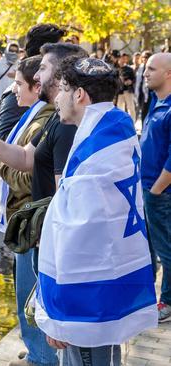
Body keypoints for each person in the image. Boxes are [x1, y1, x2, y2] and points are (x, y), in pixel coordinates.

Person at [0, 42, 87, 365]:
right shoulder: (59, 118)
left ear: (62, 74)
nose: (36, 76)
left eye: (42, 68)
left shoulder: (68, 126)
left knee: (67, 347)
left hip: (55, 246)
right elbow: (27, 158)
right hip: (45, 240)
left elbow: (65, 202)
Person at [35, 56, 157, 366]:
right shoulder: (115, 127)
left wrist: (62, 315)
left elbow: (79, 236)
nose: (57, 97)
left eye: (62, 89)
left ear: (79, 95)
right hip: (110, 276)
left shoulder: (95, 148)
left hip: (87, 295)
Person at [0, 56, 58, 366]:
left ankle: (40, 358)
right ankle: (36, 351)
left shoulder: (45, 120)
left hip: (33, 219)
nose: (13, 90)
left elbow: (27, 174)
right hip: (27, 218)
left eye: (18, 84)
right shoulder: (34, 114)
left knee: (30, 295)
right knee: (25, 292)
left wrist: (0, 161)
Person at [0, 24, 66, 141]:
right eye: (60, 48)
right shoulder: (19, 90)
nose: (65, 53)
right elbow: (3, 137)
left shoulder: (52, 82)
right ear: (43, 51)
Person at [140, 52, 171, 322]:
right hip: (147, 188)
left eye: (151, 68)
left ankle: (168, 302)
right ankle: (144, 297)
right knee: (146, 247)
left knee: (166, 248)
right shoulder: (155, 101)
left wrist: (157, 189)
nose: (145, 72)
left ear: (168, 73)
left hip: (160, 193)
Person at [117, 52, 137, 122]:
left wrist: (130, 81)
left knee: (131, 108)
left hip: (128, 90)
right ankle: (121, 123)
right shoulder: (116, 68)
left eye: (125, 58)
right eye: (122, 58)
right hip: (119, 91)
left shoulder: (129, 69)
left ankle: (132, 124)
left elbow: (134, 79)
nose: (123, 60)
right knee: (120, 109)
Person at [135, 51, 153, 122]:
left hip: (150, 93)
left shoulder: (152, 67)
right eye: (143, 57)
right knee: (143, 112)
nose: (144, 59)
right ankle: (143, 130)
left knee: (148, 112)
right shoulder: (141, 67)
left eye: (146, 57)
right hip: (141, 93)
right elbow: (138, 81)